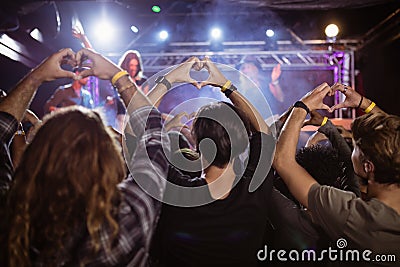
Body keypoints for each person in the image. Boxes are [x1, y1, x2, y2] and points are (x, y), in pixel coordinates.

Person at [1, 48, 174, 266]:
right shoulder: (122, 223)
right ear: (108, 160)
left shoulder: (9, 213)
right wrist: (116, 74)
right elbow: (154, 134)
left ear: (36, 156)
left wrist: (36, 78)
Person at [151, 57, 276, 266]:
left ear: (197, 144)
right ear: (242, 143)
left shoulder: (175, 190)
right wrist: (224, 85)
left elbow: (139, 123)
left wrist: (171, 78)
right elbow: (264, 132)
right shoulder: (255, 187)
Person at [273, 83, 400, 266]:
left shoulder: (355, 216)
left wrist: (301, 107)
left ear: (368, 166)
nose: (352, 148)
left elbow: (282, 161)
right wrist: (364, 104)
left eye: (356, 147)